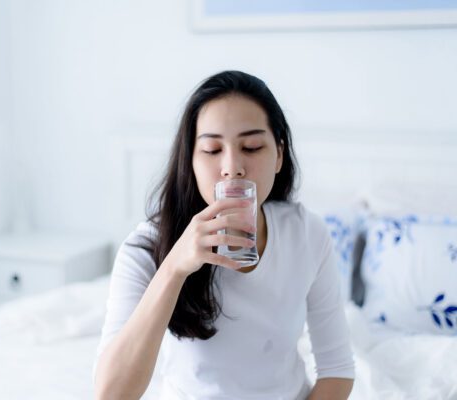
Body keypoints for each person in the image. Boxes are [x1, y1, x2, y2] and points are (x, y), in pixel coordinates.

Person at [93, 70, 355, 399]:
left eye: (252, 146)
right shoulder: (145, 248)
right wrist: (174, 267)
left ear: (279, 155)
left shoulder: (306, 234)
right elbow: (111, 394)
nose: (232, 166)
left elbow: (338, 369)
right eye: (213, 150)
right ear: (190, 161)